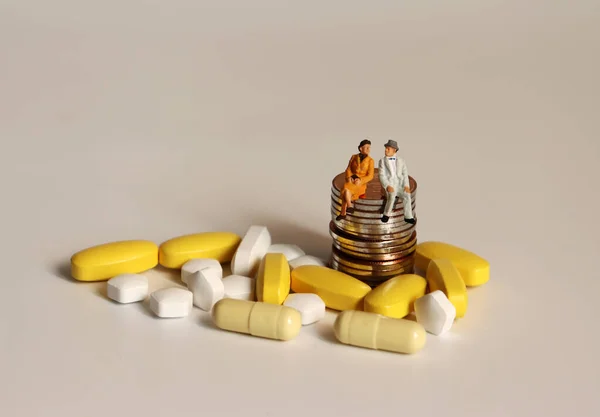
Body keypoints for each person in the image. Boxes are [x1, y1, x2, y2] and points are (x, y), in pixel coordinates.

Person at [377, 139, 415, 224]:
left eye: (388, 148)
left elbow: (405, 174)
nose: (386, 150)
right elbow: (381, 175)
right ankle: (386, 214)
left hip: (400, 184)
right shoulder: (382, 161)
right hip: (390, 184)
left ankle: (408, 216)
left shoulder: (401, 161)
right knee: (391, 196)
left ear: (394, 150)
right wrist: (387, 186)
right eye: (385, 148)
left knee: (407, 195)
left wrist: (406, 186)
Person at [336, 139, 375, 221]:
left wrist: (360, 180)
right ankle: (349, 206)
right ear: (361, 148)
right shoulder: (354, 157)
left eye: (369, 148)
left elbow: (370, 176)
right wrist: (348, 177)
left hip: (360, 184)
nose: (369, 149)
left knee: (346, 189)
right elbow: (348, 169)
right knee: (347, 188)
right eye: (366, 147)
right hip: (351, 181)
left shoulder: (371, 161)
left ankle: (343, 212)